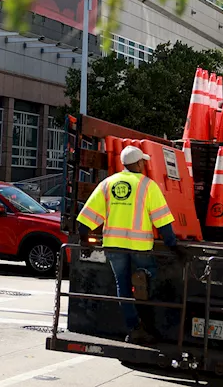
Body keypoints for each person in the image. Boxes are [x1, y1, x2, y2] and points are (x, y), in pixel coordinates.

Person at [77, 144, 181, 345]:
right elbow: (162, 220)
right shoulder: (147, 185)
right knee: (148, 280)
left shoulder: (107, 184)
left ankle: (134, 327)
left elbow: (85, 219)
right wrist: (173, 245)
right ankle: (150, 321)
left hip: (114, 246)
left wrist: (84, 241)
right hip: (140, 247)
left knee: (122, 287)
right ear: (139, 163)